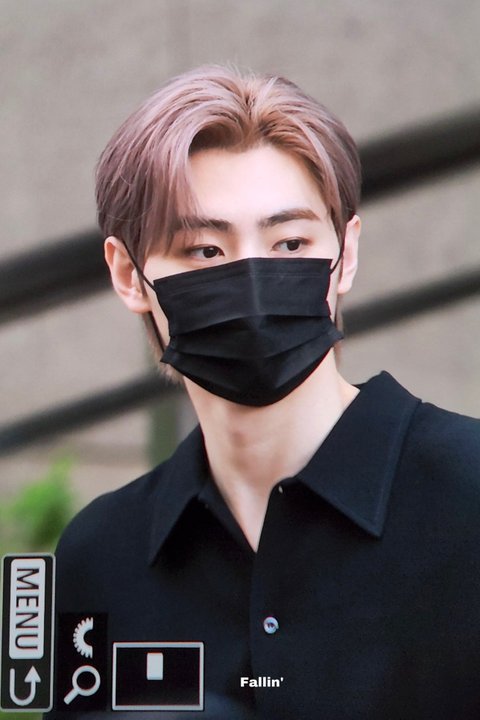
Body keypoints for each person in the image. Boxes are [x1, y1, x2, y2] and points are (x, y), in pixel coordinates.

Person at [49, 65, 480, 719]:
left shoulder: (469, 497)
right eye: (205, 251)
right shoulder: (100, 553)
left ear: (346, 255)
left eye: (290, 242)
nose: (253, 280)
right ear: (128, 274)